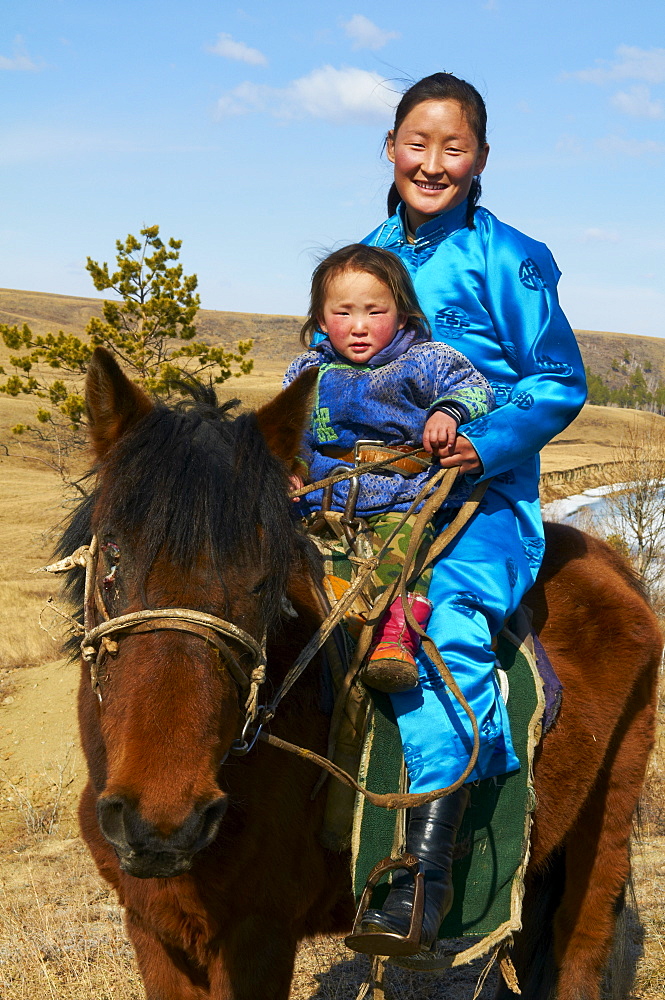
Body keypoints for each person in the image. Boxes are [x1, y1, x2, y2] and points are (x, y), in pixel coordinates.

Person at [323, 73, 586, 954]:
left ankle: (424, 880)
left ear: (479, 160)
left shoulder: (509, 256)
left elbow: (557, 381)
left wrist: (482, 442)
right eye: (416, 143)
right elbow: (337, 357)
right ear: (390, 148)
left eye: (453, 147)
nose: (432, 163)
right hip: (365, 490)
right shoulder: (367, 250)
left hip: (478, 492)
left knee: (446, 625)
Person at [284, 243, 495, 692]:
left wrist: (448, 412)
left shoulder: (427, 359)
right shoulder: (310, 369)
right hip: (324, 496)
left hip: (404, 493)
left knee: (396, 557)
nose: (358, 327)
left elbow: (477, 389)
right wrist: (292, 466)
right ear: (321, 320)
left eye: (375, 312)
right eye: (343, 313)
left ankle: (397, 632)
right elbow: (294, 426)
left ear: (402, 315)